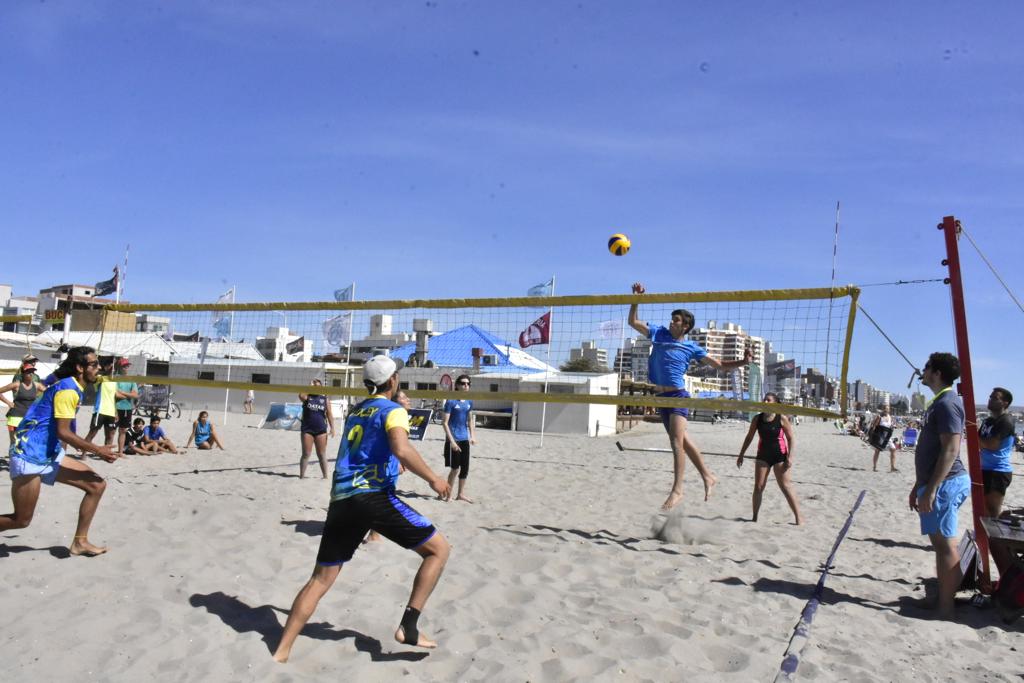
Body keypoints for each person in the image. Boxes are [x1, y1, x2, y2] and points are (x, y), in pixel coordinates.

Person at [272, 356, 452, 662]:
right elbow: (401, 447)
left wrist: (394, 464)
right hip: (372, 497)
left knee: (320, 579)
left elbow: (368, 450)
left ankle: (281, 650)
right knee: (439, 550)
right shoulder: (393, 410)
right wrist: (434, 479)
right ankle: (409, 625)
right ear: (393, 380)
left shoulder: (357, 411)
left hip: (341, 499)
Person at [628, 282, 753, 510]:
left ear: (685, 326)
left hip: (679, 395)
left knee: (676, 442)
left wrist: (743, 362)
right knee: (683, 440)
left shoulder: (693, 347)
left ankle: (678, 490)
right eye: (672, 318)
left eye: (676, 320)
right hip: (661, 397)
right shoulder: (659, 333)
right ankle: (707, 475)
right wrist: (636, 298)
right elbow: (633, 322)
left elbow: (721, 365)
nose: (671, 321)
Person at [0, 346, 119, 556]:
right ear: (80, 368)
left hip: (47, 453)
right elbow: (63, 432)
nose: (98, 367)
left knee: (97, 485)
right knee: (21, 520)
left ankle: (80, 543)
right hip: (29, 455)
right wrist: (97, 450)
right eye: (94, 364)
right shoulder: (67, 390)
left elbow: (62, 428)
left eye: (98, 363)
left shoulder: (73, 385)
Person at [909, 352, 971, 620]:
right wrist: (919, 485)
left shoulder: (948, 403)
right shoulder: (939, 402)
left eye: (927, 367)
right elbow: (931, 450)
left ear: (936, 373)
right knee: (939, 544)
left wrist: (932, 488)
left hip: (945, 484)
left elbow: (950, 450)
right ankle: (940, 599)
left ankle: (946, 607)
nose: (922, 371)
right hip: (935, 483)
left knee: (946, 546)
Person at [736, 392, 803, 524]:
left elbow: (791, 438)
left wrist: (790, 457)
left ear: (775, 403)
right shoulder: (757, 419)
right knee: (759, 487)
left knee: (785, 486)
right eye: (764, 400)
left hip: (779, 456)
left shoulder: (781, 418)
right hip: (763, 456)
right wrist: (741, 454)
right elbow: (749, 437)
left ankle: (798, 518)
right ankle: (754, 517)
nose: (765, 402)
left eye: (768, 400)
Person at [979, 387, 1015, 519]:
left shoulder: (1006, 421)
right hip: (983, 468)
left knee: (992, 512)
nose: (990, 400)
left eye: (995, 398)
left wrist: (972, 435)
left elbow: (992, 445)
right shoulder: (987, 421)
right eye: (990, 397)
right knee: (983, 509)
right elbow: (979, 442)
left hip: (998, 471)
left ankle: (995, 538)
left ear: (1005, 403)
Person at [441, 374, 476, 503]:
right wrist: (452, 442)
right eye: (462, 383)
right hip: (453, 440)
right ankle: (448, 494)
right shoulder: (451, 401)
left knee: (465, 469)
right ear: (457, 385)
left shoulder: (469, 401)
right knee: (455, 469)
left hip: (464, 439)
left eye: (468, 384)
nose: (465, 386)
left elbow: (470, 420)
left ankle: (460, 494)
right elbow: (444, 423)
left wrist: (473, 436)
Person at [1, 355, 46, 445]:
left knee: (26, 442)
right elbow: (15, 393)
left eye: (32, 371)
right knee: (14, 442)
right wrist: (9, 403)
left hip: (30, 415)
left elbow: (49, 393)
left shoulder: (36, 381)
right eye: (28, 372)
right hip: (16, 415)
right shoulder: (18, 380)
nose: (31, 373)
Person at [298, 379, 335, 479]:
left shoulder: (325, 399)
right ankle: (301, 476)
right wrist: (309, 386)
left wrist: (332, 428)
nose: (316, 388)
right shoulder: (307, 397)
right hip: (307, 429)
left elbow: (329, 414)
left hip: (321, 430)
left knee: (321, 454)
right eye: (314, 386)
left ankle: (325, 476)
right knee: (306, 453)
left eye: (318, 386)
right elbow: (300, 395)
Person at [114, 359, 139, 454]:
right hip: (116, 408)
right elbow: (116, 395)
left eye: (127, 366)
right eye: (124, 366)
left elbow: (135, 395)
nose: (126, 368)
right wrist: (129, 394)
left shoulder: (131, 380)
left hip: (127, 409)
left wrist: (123, 393)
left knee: (123, 431)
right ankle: (108, 450)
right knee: (111, 432)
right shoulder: (115, 379)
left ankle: (120, 452)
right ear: (120, 367)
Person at [870, 406, 899, 472]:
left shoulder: (889, 417)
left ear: (889, 410)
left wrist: (893, 426)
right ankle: (874, 467)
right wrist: (872, 434)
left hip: (887, 436)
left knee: (893, 449)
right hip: (880, 436)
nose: (886, 410)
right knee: (877, 451)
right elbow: (874, 426)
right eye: (885, 409)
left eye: (887, 409)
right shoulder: (879, 417)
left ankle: (892, 467)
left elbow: (890, 425)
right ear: (883, 409)